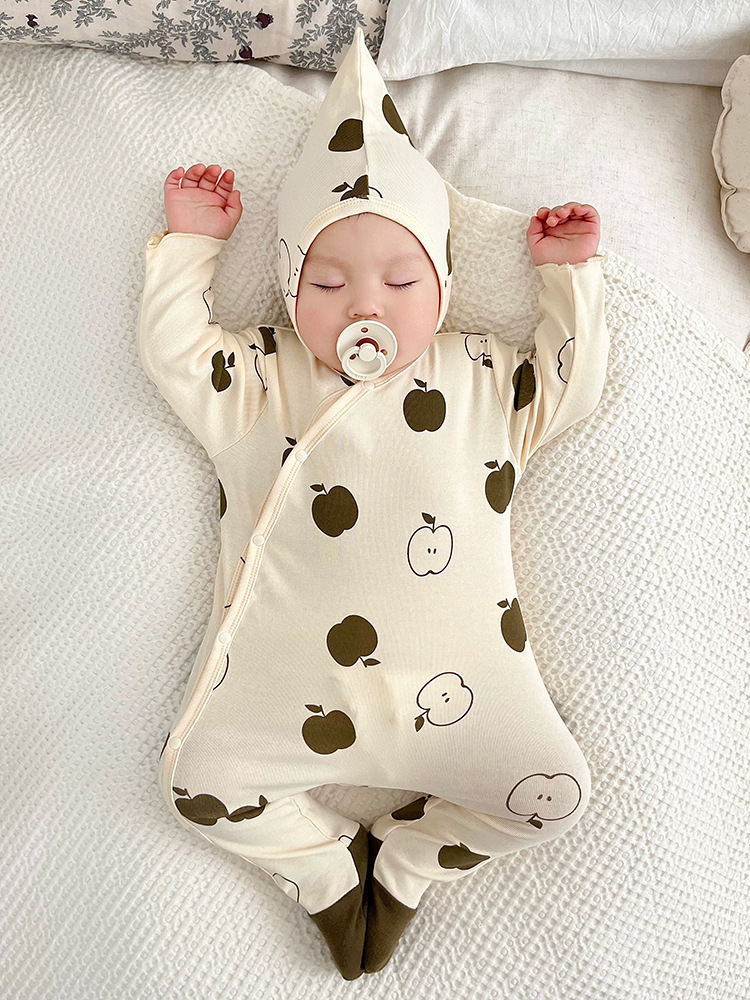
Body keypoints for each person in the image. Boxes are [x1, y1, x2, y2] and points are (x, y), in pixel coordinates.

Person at [137, 25, 608, 981]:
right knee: (196, 788)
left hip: (462, 690)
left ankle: (407, 862)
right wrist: (191, 244)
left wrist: (568, 277)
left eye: (400, 281)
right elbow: (176, 354)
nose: (366, 306)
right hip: (290, 691)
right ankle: (320, 867)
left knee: (553, 795)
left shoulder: (482, 377)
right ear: (288, 288)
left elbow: (571, 382)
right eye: (327, 282)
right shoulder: (259, 378)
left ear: (442, 286)